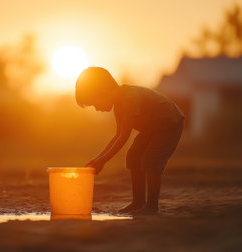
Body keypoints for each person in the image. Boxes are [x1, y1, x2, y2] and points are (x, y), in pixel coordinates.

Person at [75, 67, 184, 214]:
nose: (97, 109)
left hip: (169, 124)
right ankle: (138, 202)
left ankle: (151, 206)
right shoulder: (118, 105)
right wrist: (97, 159)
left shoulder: (129, 98)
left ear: (104, 92)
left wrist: (102, 161)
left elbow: (124, 137)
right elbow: (117, 135)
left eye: (95, 103)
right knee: (133, 156)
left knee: (151, 161)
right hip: (152, 129)